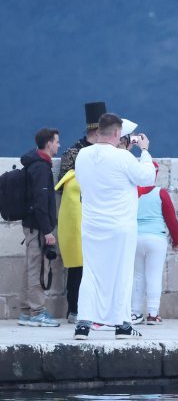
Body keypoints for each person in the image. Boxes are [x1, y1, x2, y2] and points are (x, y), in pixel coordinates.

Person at [73, 113, 156, 339]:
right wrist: (145, 151)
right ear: (118, 133)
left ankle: (83, 324)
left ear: (99, 130)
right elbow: (147, 178)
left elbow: (82, 181)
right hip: (120, 226)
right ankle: (122, 325)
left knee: (90, 273)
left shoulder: (82, 155)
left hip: (92, 225)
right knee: (122, 274)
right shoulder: (123, 157)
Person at [56, 101, 106, 323]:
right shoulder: (73, 153)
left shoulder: (107, 152)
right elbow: (62, 184)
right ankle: (74, 309)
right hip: (79, 215)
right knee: (77, 266)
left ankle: (98, 309)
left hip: (101, 215)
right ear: (97, 131)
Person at [17, 128, 61, 328]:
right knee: (37, 268)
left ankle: (26, 311)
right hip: (37, 227)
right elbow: (40, 203)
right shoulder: (41, 168)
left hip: (31, 226)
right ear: (49, 144)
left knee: (30, 267)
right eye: (56, 141)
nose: (58, 145)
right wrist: (47, 231)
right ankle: (37, 312)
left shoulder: (34, 164)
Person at [131, 162, 178, 325]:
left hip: (135, 238)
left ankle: (135, 313)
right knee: (154, 276)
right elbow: (171, 219)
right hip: (156, 239)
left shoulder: (133, 192)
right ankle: (153, 314)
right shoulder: (161, 193)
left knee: (137, 277)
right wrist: (176, 241)